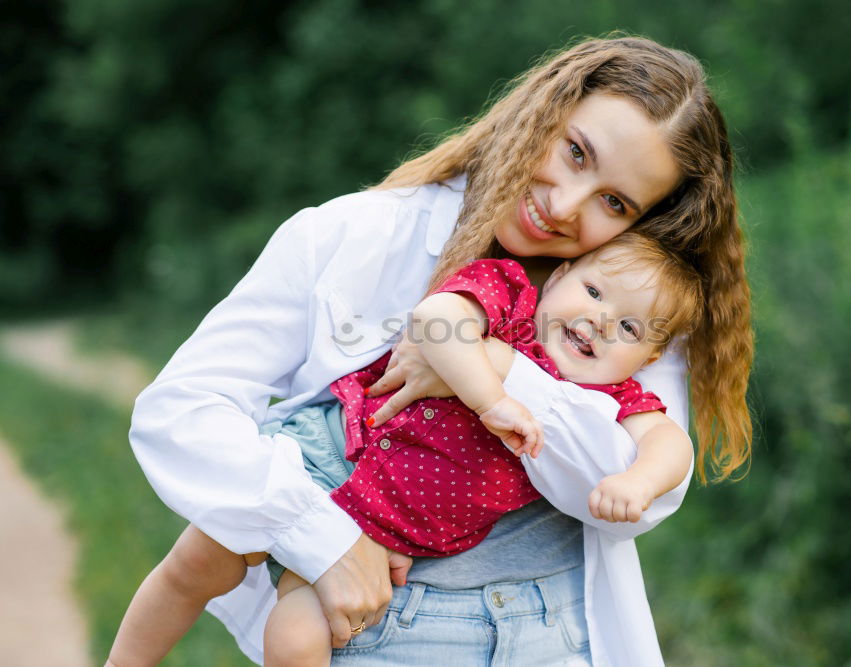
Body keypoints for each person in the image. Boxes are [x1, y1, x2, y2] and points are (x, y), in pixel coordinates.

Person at [111, 36, 753, 667]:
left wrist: (499, 371)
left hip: (556, 636)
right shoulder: (354, 233)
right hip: (376, 627)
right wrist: (321, 538)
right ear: (543, 109)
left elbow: (636, 495)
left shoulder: (632, 312)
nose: (562, 206)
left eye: (615, 203)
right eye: (575, 152)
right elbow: (182, 408)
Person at [110, 232, 704, 666]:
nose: (600, 321)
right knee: (196, 564)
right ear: (561, 274)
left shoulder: (609, 398)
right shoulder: (514, 301)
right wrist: (490, 397)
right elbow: (437, 317)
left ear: (650, 360)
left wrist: (639, 482)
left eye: (630, 328)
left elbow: (668, 443)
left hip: (386, 530)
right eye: (594, 291)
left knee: (294, 642)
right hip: (330, 452)